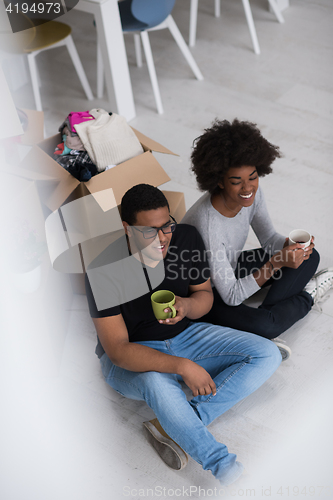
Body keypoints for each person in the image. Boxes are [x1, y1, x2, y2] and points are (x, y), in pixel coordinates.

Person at [85, 183, 282, 486]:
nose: (163, 238)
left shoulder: (186, 238)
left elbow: (204, 296)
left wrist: (188, 305)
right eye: (150, 231)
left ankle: (174, 423)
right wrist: (182, 366)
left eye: (166, 226)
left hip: (187, 335)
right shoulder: (103, 270)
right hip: (133, 355)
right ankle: (228, 472)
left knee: (267, 353)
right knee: (154, 381)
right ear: (127, 228)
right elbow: (119, 351)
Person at [181, 119, 332, 360]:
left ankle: (271, 315)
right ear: (219, 181)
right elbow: (230, 295)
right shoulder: (208, 224)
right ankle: (306, 296)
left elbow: (269, 238)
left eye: (252, 177)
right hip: (204, 293)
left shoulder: (253, 193)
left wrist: (290, 248)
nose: (247, 187)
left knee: (309, 255)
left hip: (229, 266)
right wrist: (277, 264)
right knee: (266, 325)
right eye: (236, 181)